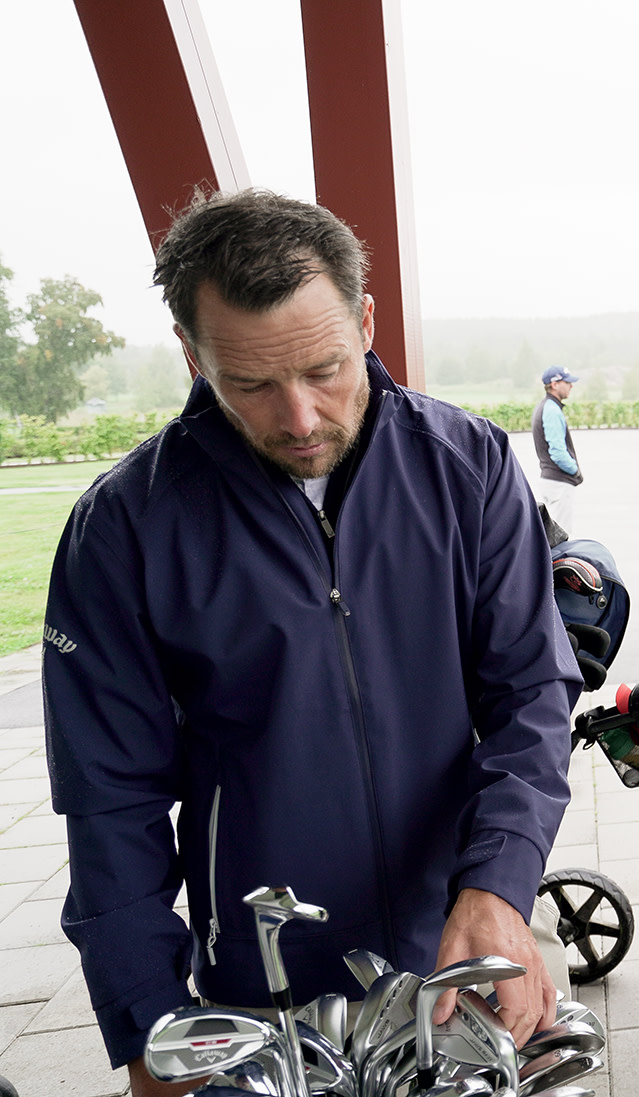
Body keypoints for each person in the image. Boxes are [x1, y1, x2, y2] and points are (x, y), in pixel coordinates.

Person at [41, 190, 582, 1096]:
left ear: (365, 320)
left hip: (460, 948)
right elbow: (109, 801)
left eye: (326, 368)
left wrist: (498, 884)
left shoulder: (471, 467)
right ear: (192, 353)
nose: (299, 418)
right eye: (251, 383)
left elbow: (531, 696)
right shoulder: (123, 527)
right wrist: (146, 1024)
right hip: (263, 978)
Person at [532, 364, 583, 534]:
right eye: (567, 382)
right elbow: (558, 452)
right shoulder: (552, 410)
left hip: (551, 481)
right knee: (562, 538)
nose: (571, 386)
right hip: (559, 482)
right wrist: (575, 470)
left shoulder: (546, 406)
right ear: (554, 385)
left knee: (553, 536)